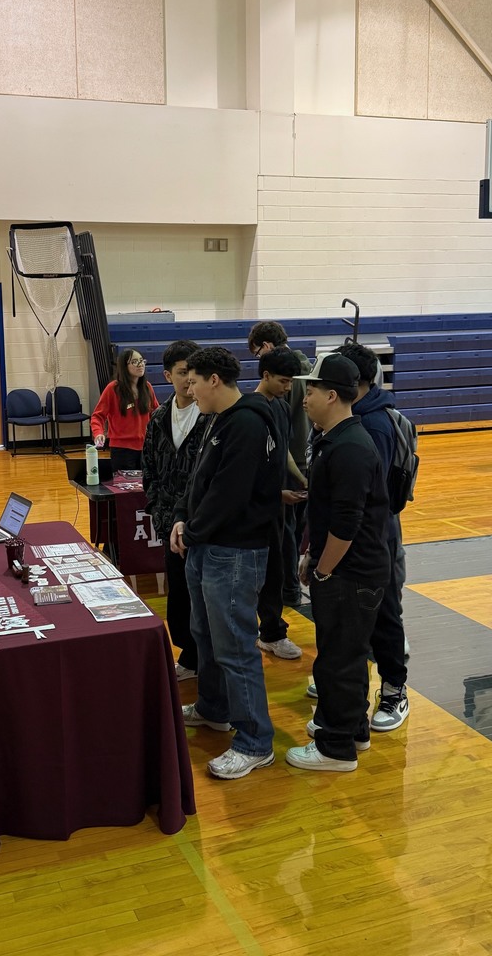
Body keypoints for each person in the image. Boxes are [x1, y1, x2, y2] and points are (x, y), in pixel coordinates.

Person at [171, 346, 282, 780]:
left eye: (193, 381)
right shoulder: (218, 420)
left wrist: (194, 531)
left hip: (233, 553)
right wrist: (182, 516)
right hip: (206, 547)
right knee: (206, 636)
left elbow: (230, 495)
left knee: (235, 647)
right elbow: (199, 481)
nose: (188, 388)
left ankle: (255, 741)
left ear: (213, 380)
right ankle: (214, 708)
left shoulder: (249, 424)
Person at [285, 353, 390, 773]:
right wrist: (313, 554)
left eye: (310, 389)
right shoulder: (333, 437)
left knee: (338, 659)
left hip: (351, 573)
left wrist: (323, 568)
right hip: (346, 569)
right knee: (345, 654)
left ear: (332, 395)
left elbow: (347, 526)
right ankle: (353, 729)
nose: (304, 396)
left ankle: (336, 747)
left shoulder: (349, 448)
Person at [334, 341, 409, 730]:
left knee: (384, 613)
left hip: (377, 534)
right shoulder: (355, 417)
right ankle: (348, 683)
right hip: (361, 534)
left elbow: (369, 496)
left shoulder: (374, 424)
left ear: (353, 381)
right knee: (356, 615)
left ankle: (395, 691)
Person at [142, 340, 208, 681]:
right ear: (168, 375)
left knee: (203, 599)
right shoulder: (158, 417)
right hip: (170, 526)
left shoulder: (212, 416)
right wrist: (160, 514)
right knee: (179, 596)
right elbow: (149, 470)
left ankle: (202, 660)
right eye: (182, 373)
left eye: (193, 373)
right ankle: (188, 656)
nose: (188, 380)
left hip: (203, 526)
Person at [247, 321, 312, 606]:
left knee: (285, 532)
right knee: (291, 531)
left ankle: (287, 589)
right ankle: (288, 588)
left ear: (266, 347)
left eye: (256, 352)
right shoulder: (305, 368)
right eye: (283, 382)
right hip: (298, 459)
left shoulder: (285, 387)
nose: (286, 386)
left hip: (290, 460)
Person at [253, 347, 306, 660]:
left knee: (279, 565)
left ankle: (271, 631)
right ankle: (267, 631)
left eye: (291, 382)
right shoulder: (251, 411)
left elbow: (283, 451)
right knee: (262, 571)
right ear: (266, 376)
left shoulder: (283, 408)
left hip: (280, 502)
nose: (289, 388)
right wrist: (273, 495)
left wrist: (300, 478)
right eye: (284, 381)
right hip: (258, 506)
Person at [91, 348, 159, 473]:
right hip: (122, 450)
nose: (140, 365)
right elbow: (97, 416)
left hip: (146, 448)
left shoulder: (147, 387)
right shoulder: (113, 389)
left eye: (142, 361)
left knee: (145, 488)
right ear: (124, 366)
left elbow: (157, 414)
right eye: (135, 361)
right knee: (124, 489)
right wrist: (98, 433)